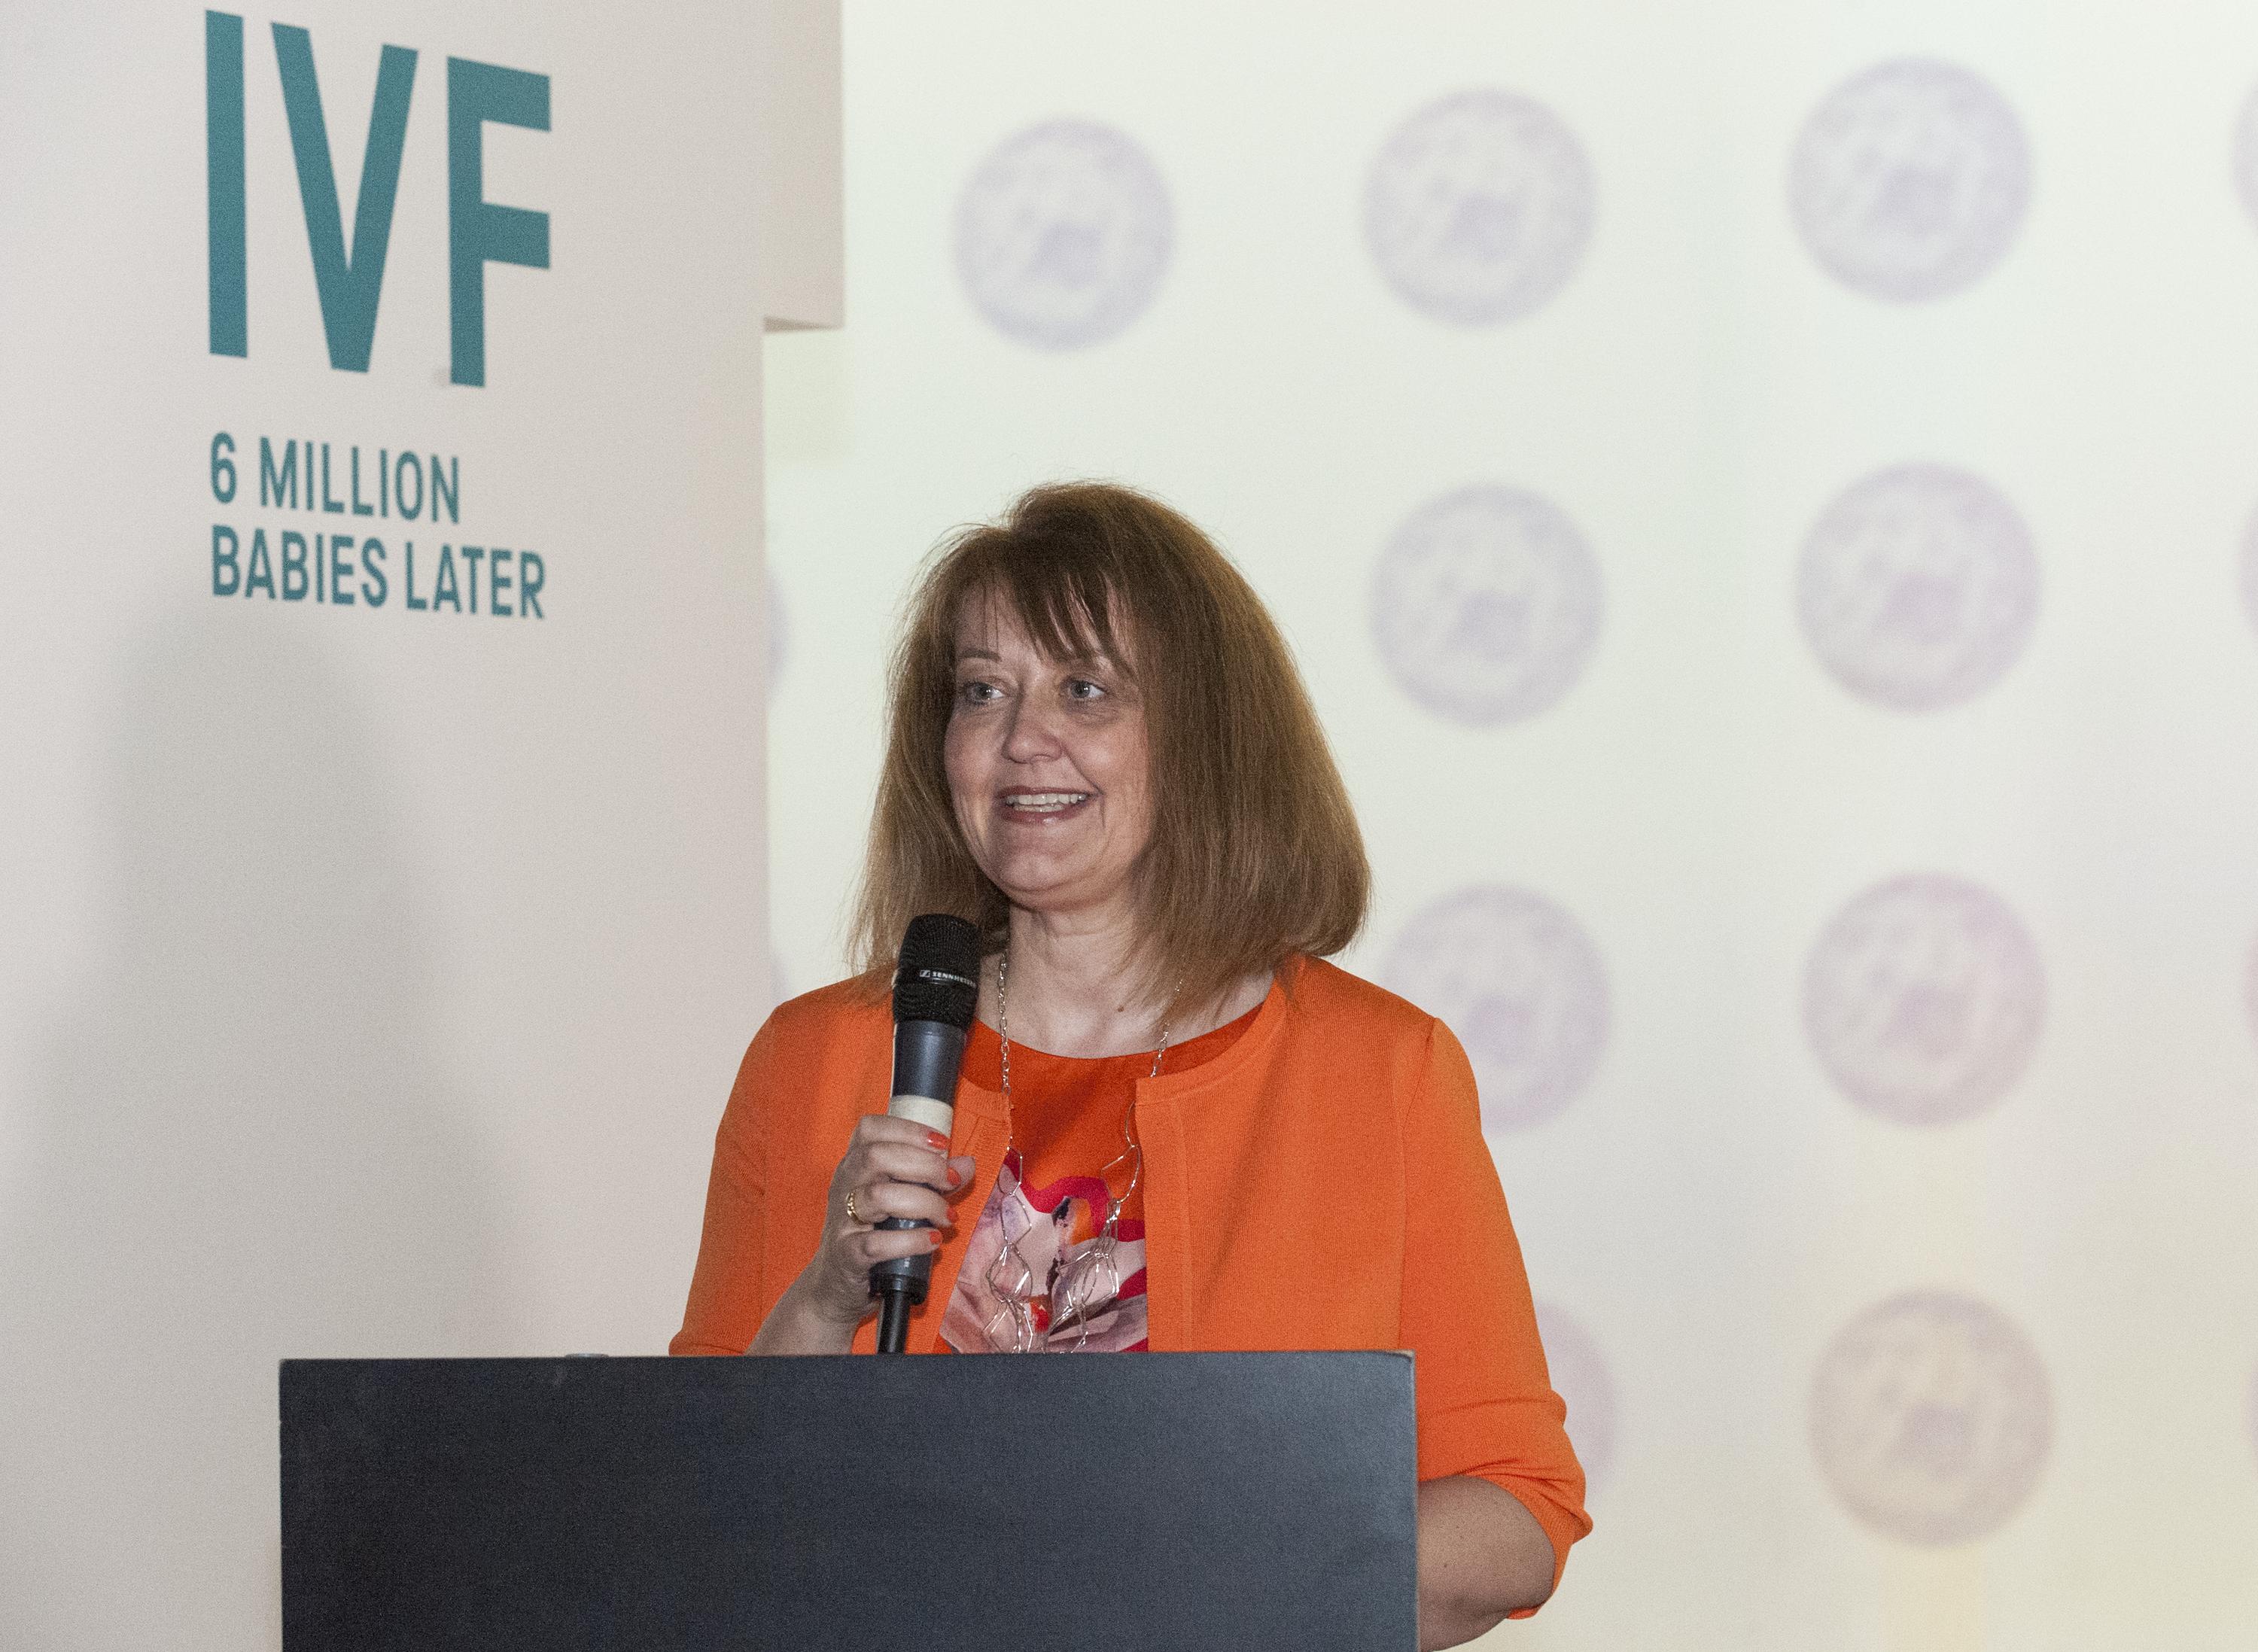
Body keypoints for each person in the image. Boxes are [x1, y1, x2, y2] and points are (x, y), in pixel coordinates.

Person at [673, 482, 1589, 1644]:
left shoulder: (1381, 1072)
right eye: (982, 690)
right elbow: (688, 1507)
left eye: (1085, 688)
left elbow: (1517, 1513)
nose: (1020, 740)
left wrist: (1200, 1565)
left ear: (1203, 735)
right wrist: (818, 1304)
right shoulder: (813, 1059)